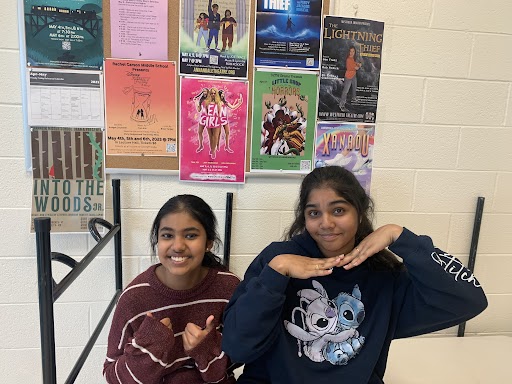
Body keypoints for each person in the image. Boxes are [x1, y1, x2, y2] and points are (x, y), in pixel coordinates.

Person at [222, 166, 487, 383]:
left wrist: (401, 237)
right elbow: (237, 347)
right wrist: (275, 275)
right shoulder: (277, 260)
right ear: (304, 218)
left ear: (359, 214)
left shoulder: (384, 275)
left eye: (339, 210)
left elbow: (469, 299)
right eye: (314, 213)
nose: (326, 223)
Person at [104, 195, 240, 384]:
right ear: (157, 241)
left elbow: (241, 359)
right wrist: (147, 352)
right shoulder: (134, 297)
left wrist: (207, 350)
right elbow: (112, 376)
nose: (178, 246)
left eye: (191, 235)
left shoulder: (229, 288)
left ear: (209, 242)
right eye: (167, 235)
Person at [339, 46, 362, 112]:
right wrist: (358, 65)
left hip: (353, 75)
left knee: (354, 87)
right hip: (348, 77)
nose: (352, 53)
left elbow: (355, 64)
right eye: (350, 51)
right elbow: (356, 68)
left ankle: (354, 98)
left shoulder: (353, 59)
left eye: (353, 51)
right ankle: (341, 105)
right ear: (348, 52)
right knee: (345, 91)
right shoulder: (348, 59)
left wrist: (358, 64)